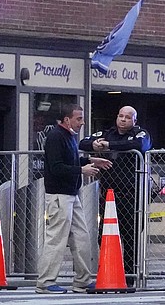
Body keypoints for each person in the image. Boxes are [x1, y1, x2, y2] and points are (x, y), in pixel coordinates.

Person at [36, 103, 112, 294]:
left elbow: (69, 161)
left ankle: (82, 280)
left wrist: (91, 160)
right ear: (67, 119)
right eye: (79, 118)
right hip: (59, 195)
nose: (82, 122)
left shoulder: (67, 136)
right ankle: (45, 282)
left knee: (82, 237)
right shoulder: (55, 137)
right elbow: (56, 167)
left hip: (71, 193)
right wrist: (82, 169)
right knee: (56, 239)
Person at [80, 105, 151, 279]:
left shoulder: (139, 133)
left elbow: (139, 145)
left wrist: (110, 145)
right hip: (108, 194)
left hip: (131, 194)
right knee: (104, 233)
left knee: (130, 235)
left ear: (134, 120)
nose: (123, 119)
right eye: (120, 116)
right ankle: (107, 268)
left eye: (128, 117)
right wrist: (95, 145)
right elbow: (84, 142)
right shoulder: (107, 133)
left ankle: (129, 273)